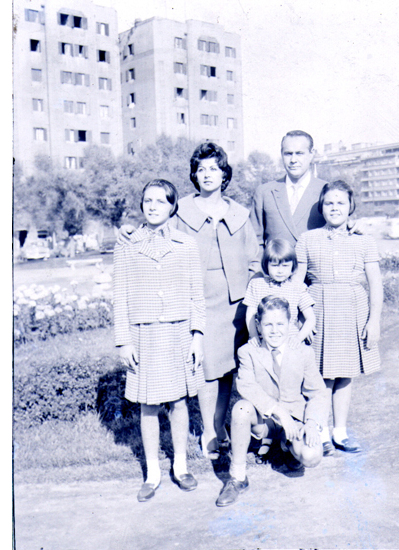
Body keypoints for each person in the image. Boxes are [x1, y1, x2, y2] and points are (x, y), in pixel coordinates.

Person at [119, 142, 260, 460]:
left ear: (224, 173)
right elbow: (154, 230)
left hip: (235, 305)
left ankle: (220, 425)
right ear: (194, 174)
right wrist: (130, 231)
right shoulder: (180, 210)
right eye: (202, 168)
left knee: (228, 369)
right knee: (207, 369)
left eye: (215, 168)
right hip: (197, 301)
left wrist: (249, 292)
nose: (208, 174)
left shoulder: (239, 213)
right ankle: (209, 432)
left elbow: (254, 258)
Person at [113, 179, 206, 502]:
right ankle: (152, 473)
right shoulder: (127, 244)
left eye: (160, 201)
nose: (152, 206)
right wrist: (124, 341)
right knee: (149, 405)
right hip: (144, 333)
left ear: (172, 207)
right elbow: (120, 296)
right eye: (147, 201)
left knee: (179, 402)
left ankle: (180, 466)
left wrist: (197, 336)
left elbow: (197, 294)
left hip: (178, 331)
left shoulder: (186, 243)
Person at [295, 180, 383, 454]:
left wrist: (374, 320)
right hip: (318, 310)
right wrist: (301, 318)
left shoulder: (364, 240)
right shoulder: (308, 238)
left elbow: (375, 283)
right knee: (320, 375)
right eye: (329, 203)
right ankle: (318, 431)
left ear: (351, 207)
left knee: (345, 374)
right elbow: (297, 281)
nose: (334, 207)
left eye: (341, 203)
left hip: (353, 311)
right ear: (322, 207)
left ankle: (340, 432)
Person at [216, 296, 328, 507]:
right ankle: (237, 477)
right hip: (265, 420)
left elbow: (318, 393)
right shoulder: (247, 352)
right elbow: (246, 386)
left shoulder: (303, 352)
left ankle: (288, 447)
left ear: (291, 325)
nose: (274, 330)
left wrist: (312, 423)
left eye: (280, 324)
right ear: (258, 325)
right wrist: (279, 412)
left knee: (312, 456)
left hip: (295, 419)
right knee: (241, 408)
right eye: (268, 324)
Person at [243, 238, 316, 459]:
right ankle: (268, 434)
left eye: (285, 265)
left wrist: (299, 338)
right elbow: (249, 315)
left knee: (288, 388)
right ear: (266, 266)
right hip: (266, 345)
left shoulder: (297, 287)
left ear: (293, 266)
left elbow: (311, 318)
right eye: (274, 264)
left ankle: (291, 431)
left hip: (289, 347)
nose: (280, 270)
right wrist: (255, 338)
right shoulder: (257, 285)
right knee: (266, 388)